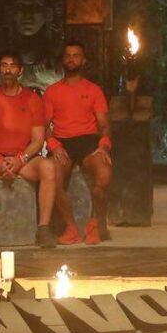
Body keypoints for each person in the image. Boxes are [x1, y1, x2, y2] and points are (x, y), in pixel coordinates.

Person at [0, 50, 60, 250]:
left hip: (24, 160)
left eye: (12, 66)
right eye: (4, 65)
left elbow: (38, 139)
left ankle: (43, 228)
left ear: (20, 70)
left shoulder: (33, 99)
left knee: (49, 167)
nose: (8, 70)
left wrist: (20, 159)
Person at [44, 41, 113, 245]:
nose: (71, 59)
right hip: (63, 142)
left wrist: (103, 145)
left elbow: (104, 125)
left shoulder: (94, 90)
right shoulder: (52, 91)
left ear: (83, 61)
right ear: (62, 60)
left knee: (104, 174)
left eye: (76, 55)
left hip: (89, 141)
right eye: (67, 55)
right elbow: (44, 125)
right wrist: (53, 145)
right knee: (52, 178)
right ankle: (71, 228)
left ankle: (94, 224)